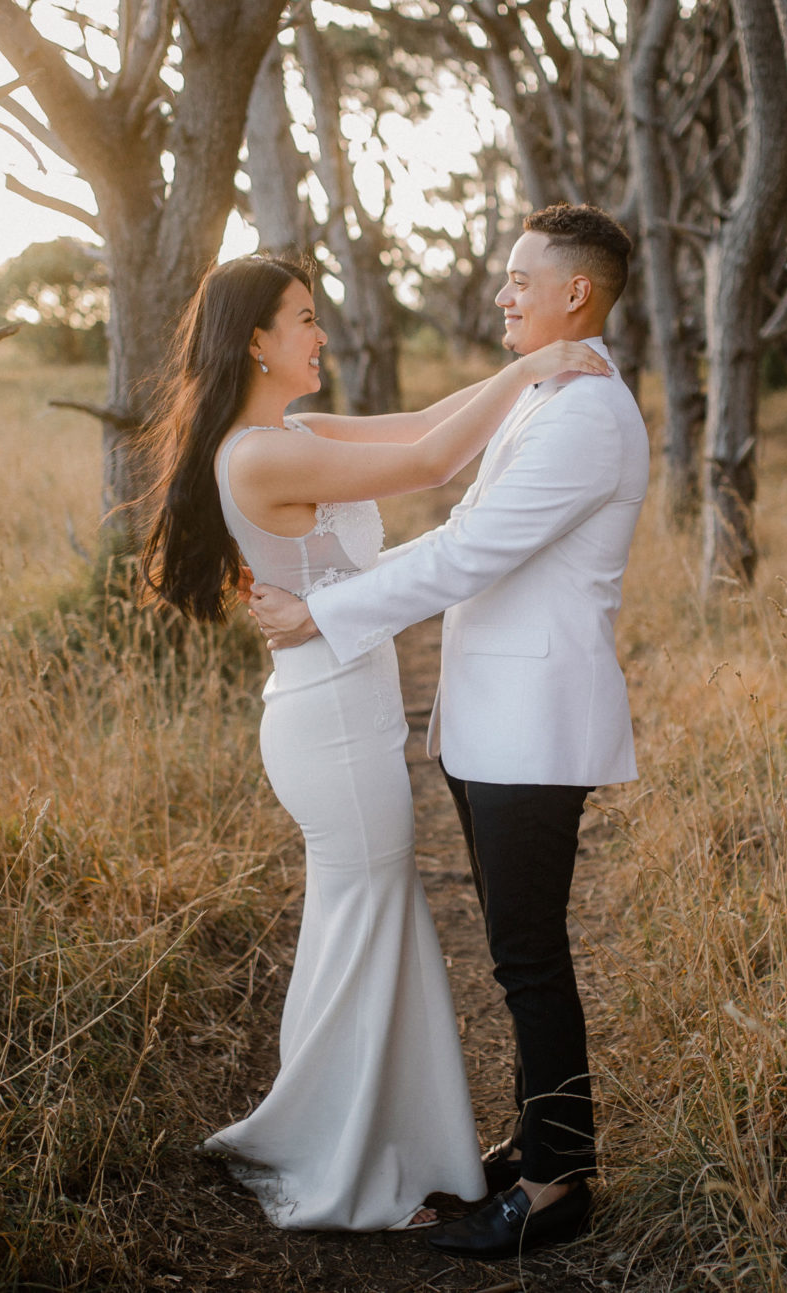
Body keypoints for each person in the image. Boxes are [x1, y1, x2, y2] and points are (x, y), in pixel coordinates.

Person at [139, 254, 611, 1232]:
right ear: (255, 340)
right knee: (362, 926)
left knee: (366, 922)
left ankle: (370, 1138)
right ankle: (345, 1158)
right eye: (304, 319)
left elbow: (415, 435)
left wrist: (517, 381)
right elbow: (432, 462)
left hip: (340, 710)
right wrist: (531, 370)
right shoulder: (260, 455)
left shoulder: (289, 433)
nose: (321, 335)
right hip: (329, 723)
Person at [248, 203, 647, 1259]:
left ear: (577, 293)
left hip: (536, 722)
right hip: (495, 721)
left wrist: (325, 610)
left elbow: (469, 555)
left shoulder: (585, 414)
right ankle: (537, 1138)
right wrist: (292, 435)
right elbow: (435, 458)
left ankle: (559, 1187)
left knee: (527, 957)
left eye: (522, 279)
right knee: (521, 950)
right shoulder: (550, 392)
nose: (503, 294)